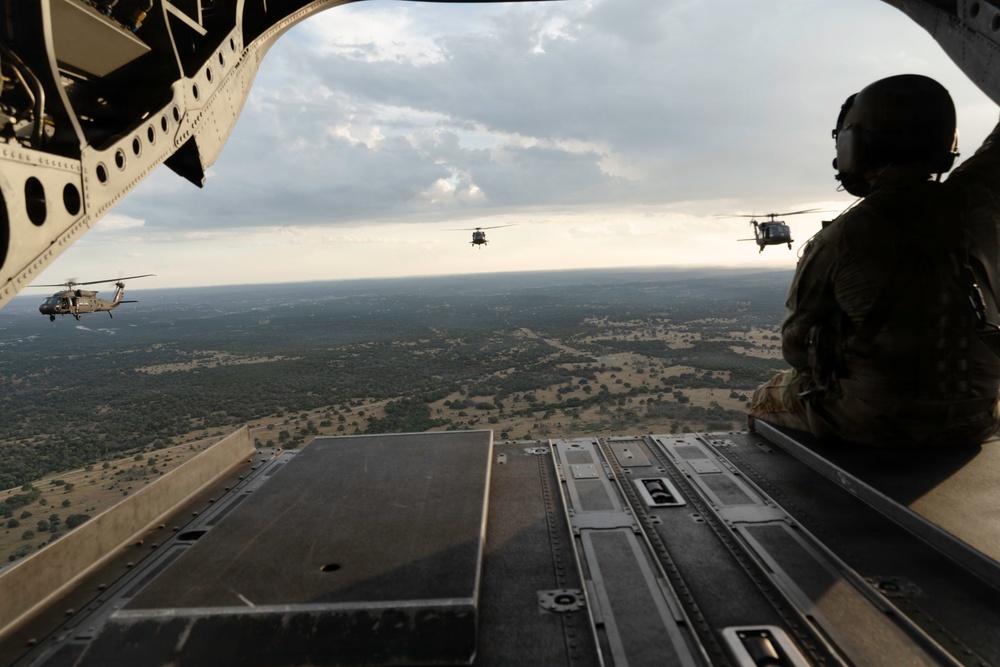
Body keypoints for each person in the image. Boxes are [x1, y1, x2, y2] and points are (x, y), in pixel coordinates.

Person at [749, 74, 1000, 447]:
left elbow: (795, 350)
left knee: (762, 399)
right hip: (978, 418)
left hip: (878, 421)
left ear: (854, 144)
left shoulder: (842, 236)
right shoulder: (977, 202)